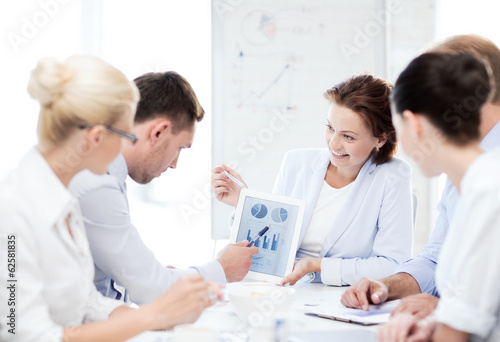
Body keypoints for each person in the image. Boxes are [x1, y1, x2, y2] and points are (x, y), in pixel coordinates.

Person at [0, 56, 219, 341]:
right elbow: (26, 334)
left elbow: (85, 302)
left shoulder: (62, 200)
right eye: (127, 135)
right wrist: (155, 315)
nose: (128, 146)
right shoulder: (13, 210)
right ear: (96, 137)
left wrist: (163, 314)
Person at [341, 35, 500, 317]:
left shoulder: (485, 177)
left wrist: (450, 314)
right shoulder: (461, 164)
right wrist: (387, 286)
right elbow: (435, 258)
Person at [69, 71, 258, 305]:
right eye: (180, 147)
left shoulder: (100, 169)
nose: (175, 164)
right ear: (158, 132)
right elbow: (152, 290)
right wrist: (221, 269)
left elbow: (122, 280)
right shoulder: (97, 183)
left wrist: (162, 278)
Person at [212, 74, 413, 286]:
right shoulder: (296, 163)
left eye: (348, 137)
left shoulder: (392, 177)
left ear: (380, 139)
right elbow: (271, 240)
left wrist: (317, 265)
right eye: (330, 128)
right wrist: (243, 203)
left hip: (342, 296)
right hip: (284, 289)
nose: (334, 144)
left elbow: (393, 264)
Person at [379, 51, 500, 342]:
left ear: (414, 124)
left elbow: (457, 334)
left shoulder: (488, 192)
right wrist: (434, 325)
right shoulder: (472, 185)